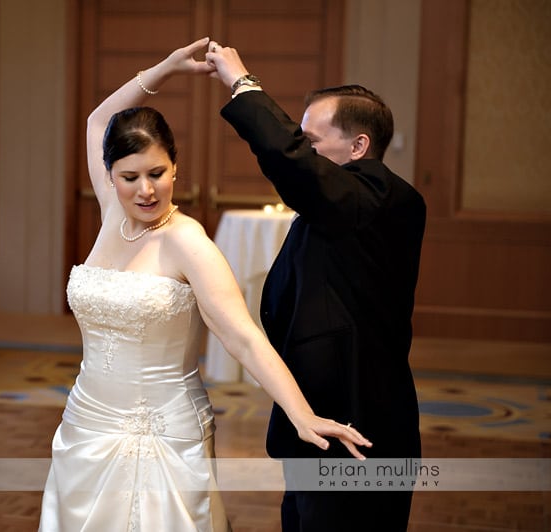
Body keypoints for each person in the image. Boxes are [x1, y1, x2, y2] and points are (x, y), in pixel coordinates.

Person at [38, 37, 371, 532]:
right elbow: (94, 121)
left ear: (176, 168)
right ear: (109, 176)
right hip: (87, 418)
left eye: (158, 173)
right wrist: (165, 69)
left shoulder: (187, 241)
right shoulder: (112, 214)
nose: (145, 190)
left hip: (162, 429)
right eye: (130, 177)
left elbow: (241, 334)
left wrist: (301, 413)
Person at [206, 41, 426, 531]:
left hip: (360, 428)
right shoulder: (339, 204)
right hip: (320, 421)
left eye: (311, 140)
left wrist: (243, 84)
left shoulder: (386, 197)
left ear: (359, 147)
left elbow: (293, 165)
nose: (302, 150)